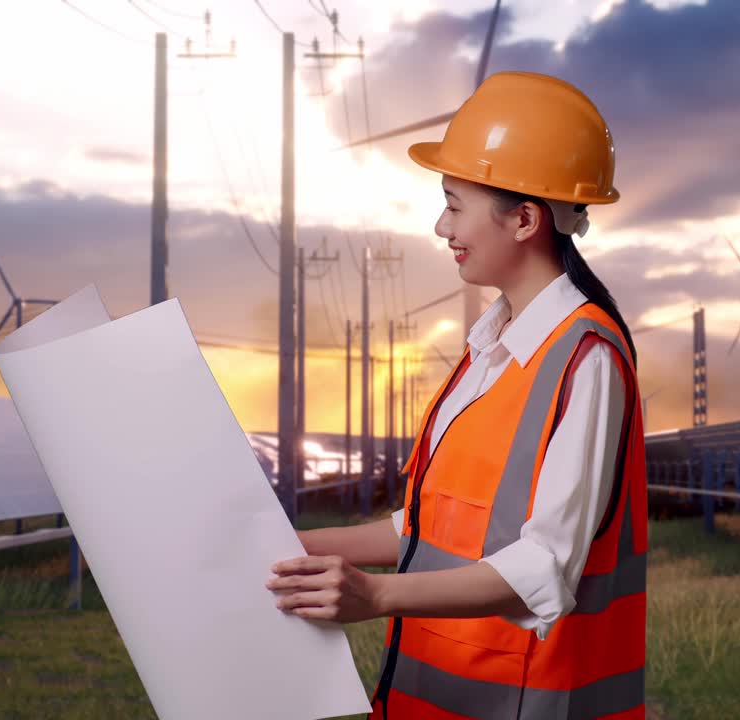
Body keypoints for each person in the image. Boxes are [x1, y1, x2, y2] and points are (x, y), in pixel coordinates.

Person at [267, 71, 648, 720]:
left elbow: (544, 568)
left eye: (454, 202)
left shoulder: (586, 361)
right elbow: (427, 529)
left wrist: (377, 598)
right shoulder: (487, 352)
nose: (442, 225)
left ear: (525, 218)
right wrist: (293, 548)